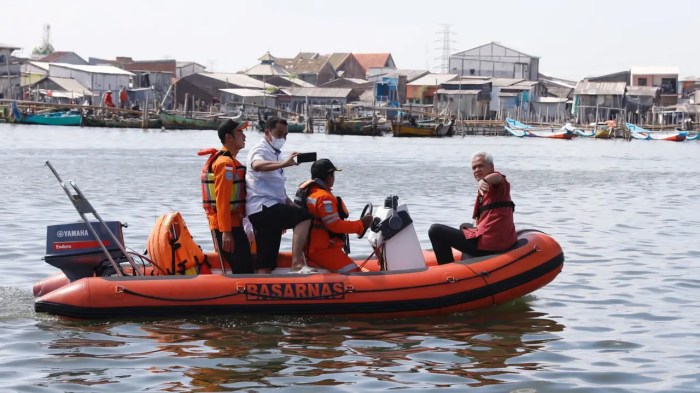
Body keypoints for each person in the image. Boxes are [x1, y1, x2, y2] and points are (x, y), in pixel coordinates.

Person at [245, 117, 313, 274]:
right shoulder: (260, 149)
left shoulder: (275, 153)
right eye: (279, 133)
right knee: (304, 217)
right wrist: (284, 164)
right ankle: (297, 263)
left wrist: (290, 204)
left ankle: (262, 287)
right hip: (263, 207)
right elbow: (257, 165)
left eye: (286, 135)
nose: (283, 138)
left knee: (266, 262)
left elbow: (276, 190)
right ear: (267, 132)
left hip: (267, 209)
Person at [428, 152, 517, 264]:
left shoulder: (498, 184)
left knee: (435, 230)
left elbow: (498, 177)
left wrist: (483, 181)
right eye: (474, 167)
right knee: (464, 226)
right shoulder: (486, 189)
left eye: (481, 166)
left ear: (492, 167)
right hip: (496, 239)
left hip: (490, 246)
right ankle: (470, 261)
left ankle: (447, 272)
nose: (477, 170)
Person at [296, 159, 373, 273]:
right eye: (333, 174)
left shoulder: (309, 192)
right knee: (356, 273)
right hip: (322, 249)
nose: (334, 178)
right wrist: (361, 224)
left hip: (310, 247)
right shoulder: (324, 197)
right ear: (329, 177)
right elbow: (334, 225)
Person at [200, 119, 253, 274]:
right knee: (245, 271)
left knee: (244, 267)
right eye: (240, 132)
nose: (244, 137)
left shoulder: (229, 160)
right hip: (228, 226)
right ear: (229, 137)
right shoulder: (225, 163)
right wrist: (226, 231)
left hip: (233, 224)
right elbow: (222, 199)